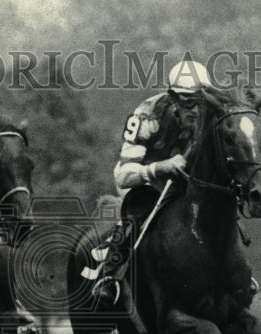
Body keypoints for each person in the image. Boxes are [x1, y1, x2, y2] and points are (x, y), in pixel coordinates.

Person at [90, 57, 210, 308]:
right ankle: (109, 276)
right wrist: (160, 168)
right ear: (173, 98)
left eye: (201, 102)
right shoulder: (147, 116)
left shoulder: (209, 116)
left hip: (183, 184)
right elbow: (124, 175)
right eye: (188, 103)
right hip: (142, 182)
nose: (196, 111)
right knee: (140, 212)